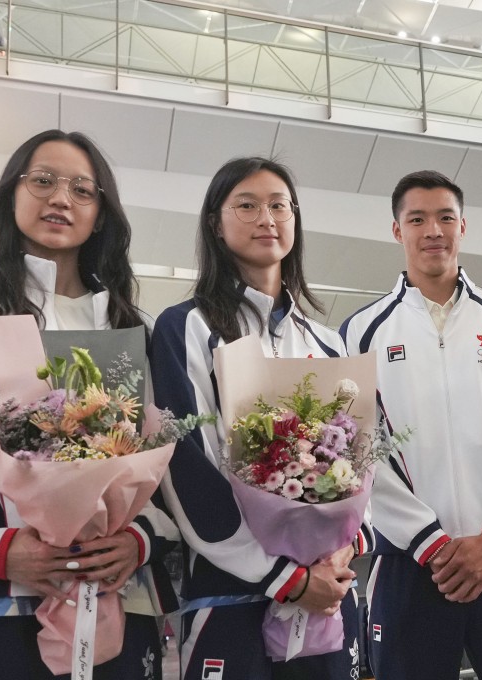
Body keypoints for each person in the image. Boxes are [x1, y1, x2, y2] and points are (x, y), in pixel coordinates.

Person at [0, 129, 176, 677]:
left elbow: (176, 464)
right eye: (43, 181)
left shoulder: (135, 328)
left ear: (101, 214)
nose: (61, 198)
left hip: (118, 602)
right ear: (11, 194)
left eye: (83, 189)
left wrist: (138, 541)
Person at [341, 170, 482, 680]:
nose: (432, 230)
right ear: (398, 230)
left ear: (464, 226)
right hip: (412, 564)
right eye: (417, 219)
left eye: (444, 217)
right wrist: (431, 543)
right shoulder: (360, 331)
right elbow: (358, 452)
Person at [150, 157, 359, 680]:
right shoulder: (187, 328)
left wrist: (342, 551)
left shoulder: (328, 343)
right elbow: (187, 467)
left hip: (324, 600)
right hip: (229, 590)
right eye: (246, 205)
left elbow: (361, 460)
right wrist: (279, 576)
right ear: (215, 224)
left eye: (278, 205)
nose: (266, 216)